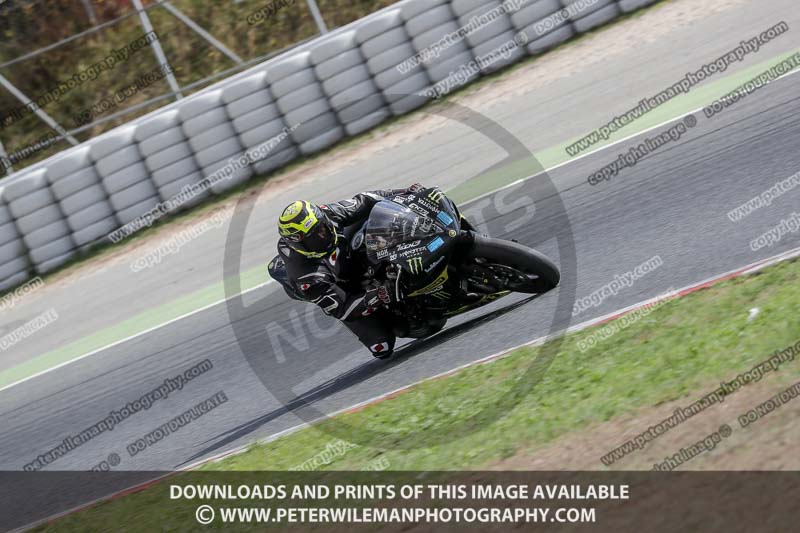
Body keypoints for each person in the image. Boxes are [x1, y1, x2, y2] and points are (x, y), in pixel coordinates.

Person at [270, 187, 416, 359]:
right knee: (381, 346)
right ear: (299, 245)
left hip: (349, 255)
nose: (323, 235)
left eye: (322, 227)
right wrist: (379, 295)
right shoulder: (306, 276)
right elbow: (343, 308)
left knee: (374, 214)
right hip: (345, 289)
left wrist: (405, 192)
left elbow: (365, 200)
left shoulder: (326, 214)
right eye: (314, 237)